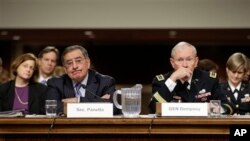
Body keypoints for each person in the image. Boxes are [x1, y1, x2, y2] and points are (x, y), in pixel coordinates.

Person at [148, 41, 234, 115]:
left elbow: (228, 107)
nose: (185, 65)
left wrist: (210, 108)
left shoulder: (209, 80)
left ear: (196, 62)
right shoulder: (162, 81)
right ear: (172, 62)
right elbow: (153, 108)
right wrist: (172, 79)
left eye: (189, 59)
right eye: (180, 60)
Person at [46, 45, 116, 114]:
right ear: (65, 69)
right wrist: (99, 102)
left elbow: (113, 107)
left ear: (88, 63)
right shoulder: (55, 83)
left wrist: (78, 100)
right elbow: (49, 108)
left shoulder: (105, 82)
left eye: (78, 61)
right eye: (69, 63)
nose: (74, 66)